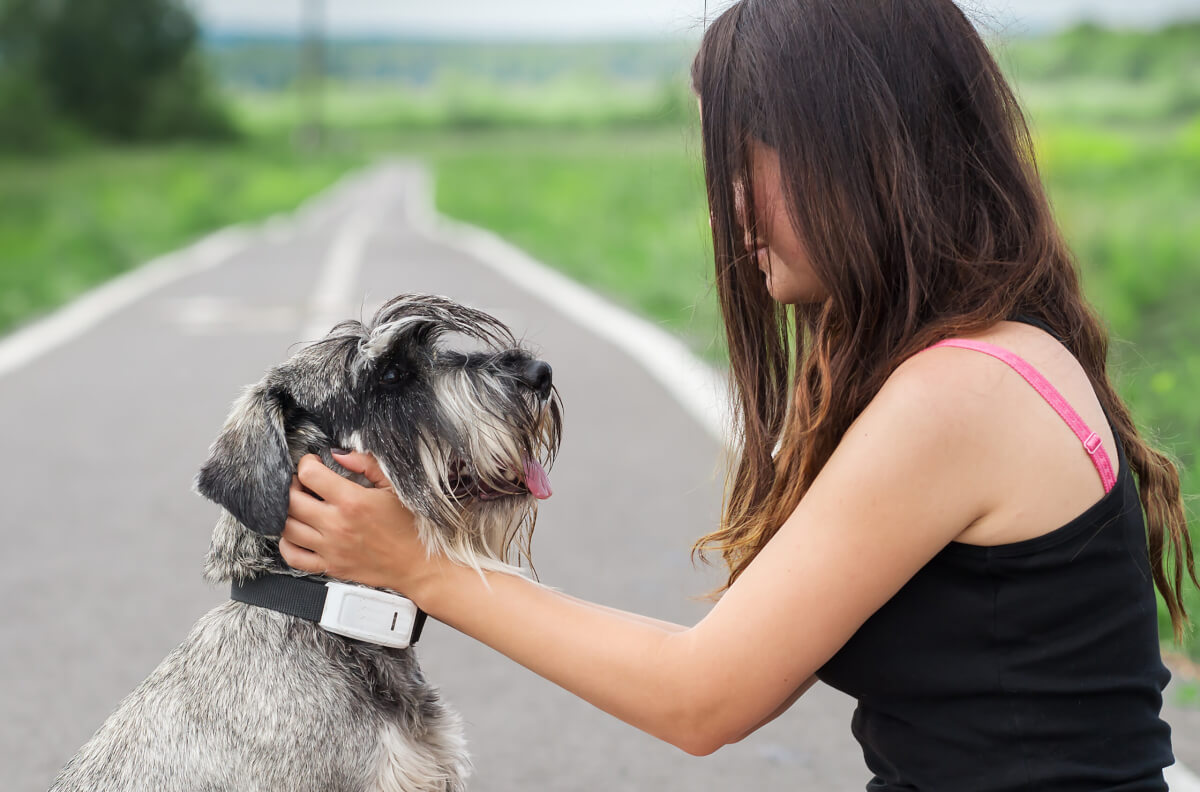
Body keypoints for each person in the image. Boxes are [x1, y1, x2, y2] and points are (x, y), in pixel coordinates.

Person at [280, 0, 1197, 788]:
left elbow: (701, 695)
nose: (731, 211)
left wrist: (421, 566)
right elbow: (742, 652)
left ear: (861, 156)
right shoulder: (972, 356)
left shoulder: (960, 393)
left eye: (747, 164)